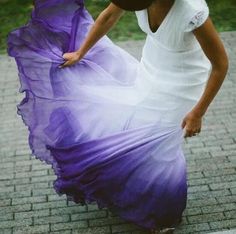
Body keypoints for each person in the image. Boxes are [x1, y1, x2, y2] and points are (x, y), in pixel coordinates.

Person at [7, 0, 228, 233]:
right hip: (152, 69)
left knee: (161, 146)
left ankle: (163, 214)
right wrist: (81, 53)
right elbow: (107, 17)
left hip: (184, 83)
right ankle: (132, 187)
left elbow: (220, 64)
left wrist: (198, 113)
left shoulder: (191, 12)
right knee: (139, 128)